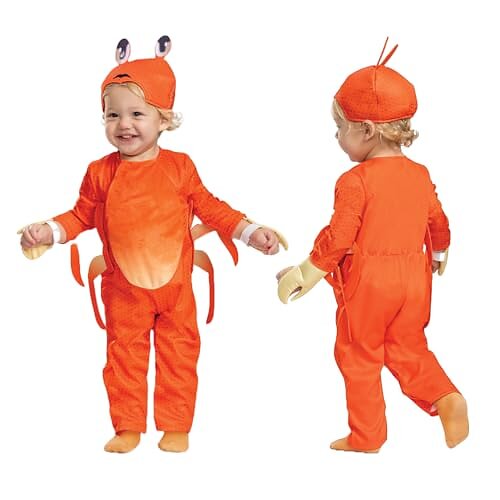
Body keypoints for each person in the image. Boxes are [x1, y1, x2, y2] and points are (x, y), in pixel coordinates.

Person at [19, 36, 286, 454]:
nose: (124, 124)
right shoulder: (99, 172)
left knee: (179, 353)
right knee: (123, 357)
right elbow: (81, 216)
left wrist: (249, 232)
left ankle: (175, 425)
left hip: (176, 291)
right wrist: (48, 230)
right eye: (112, 115)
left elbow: (211, 207)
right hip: (123, 291)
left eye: (137, 114)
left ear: (163, 120)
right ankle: (127, 426)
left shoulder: (180, 167)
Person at [277, 40, 468, 453]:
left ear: (365, 129)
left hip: (369, 286)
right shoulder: (419, 174)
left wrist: (306, 272)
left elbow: (339, 237)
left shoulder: (355, 181)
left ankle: (367, 437)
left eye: (340, 127)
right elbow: (438, 221)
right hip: (414, 281)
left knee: (359, 355)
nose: (337, 137)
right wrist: (438, 253)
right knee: (408, 346)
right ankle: (445, 397)